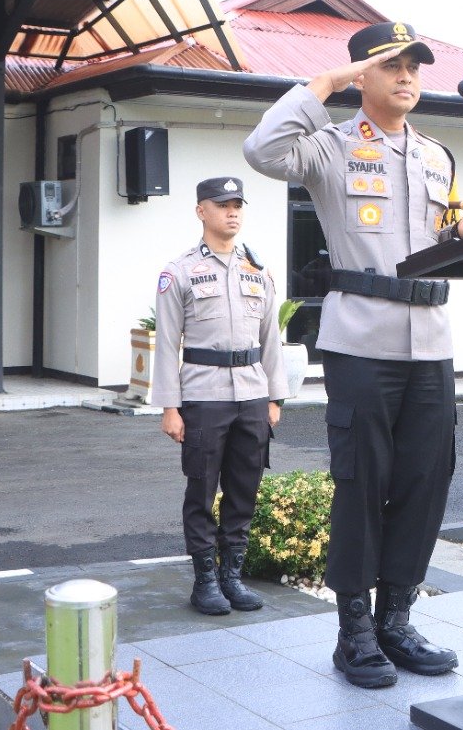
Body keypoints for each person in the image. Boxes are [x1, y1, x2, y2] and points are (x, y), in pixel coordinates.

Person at [244, 21, 463, 689]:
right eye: (391, 64)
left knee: (425, 479)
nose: (407, 75)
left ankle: (396, 620)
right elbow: (261, 149)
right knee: (362, 482)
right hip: (361, 341)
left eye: (415, 65)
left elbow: (428, 245)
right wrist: (324, 84)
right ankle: (353, 631)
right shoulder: (329, 147)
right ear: (362, 75)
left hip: (431, 342)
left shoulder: (436, 155)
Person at [151, 177, 288, 618]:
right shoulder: (180, 272)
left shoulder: (257, 270)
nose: (232, 212)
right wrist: (170, 407)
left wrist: (275, 398)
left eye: (237, 205)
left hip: (252, 394)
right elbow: (167, 342)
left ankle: (232, 575)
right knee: (202, 489)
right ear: (201, 211)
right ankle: (205, 581)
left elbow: (271, 338)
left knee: (244, 489)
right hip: (203, 395)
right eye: (222, 204)